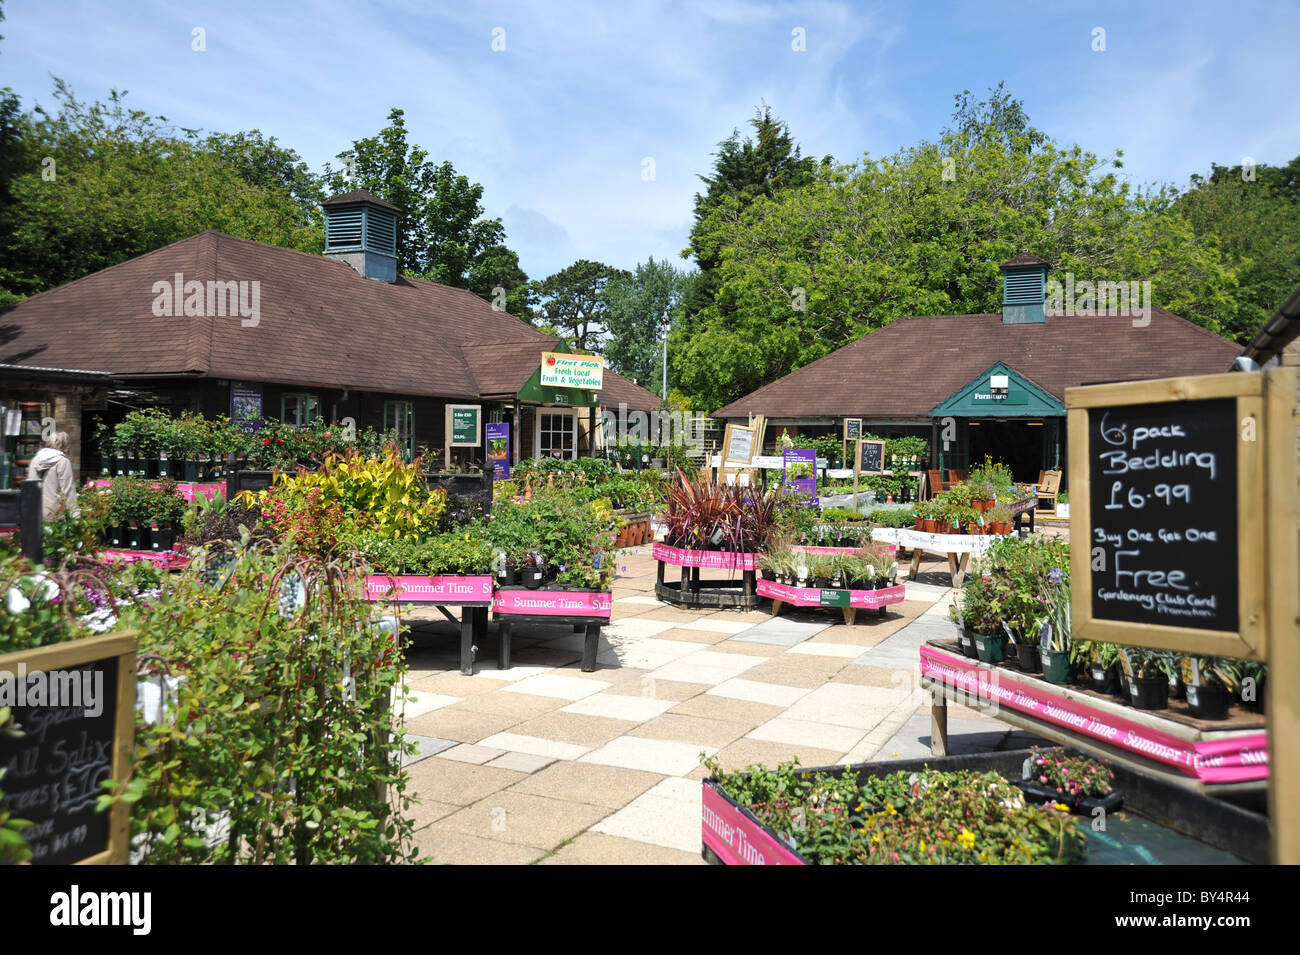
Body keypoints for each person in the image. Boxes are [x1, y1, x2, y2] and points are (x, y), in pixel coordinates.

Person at [26, 431, 79, 521]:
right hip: (54, 512)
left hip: (34, 511)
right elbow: (68, 489)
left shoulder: (35, 460)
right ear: (64, 445)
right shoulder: (63, 461)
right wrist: (75, 514)